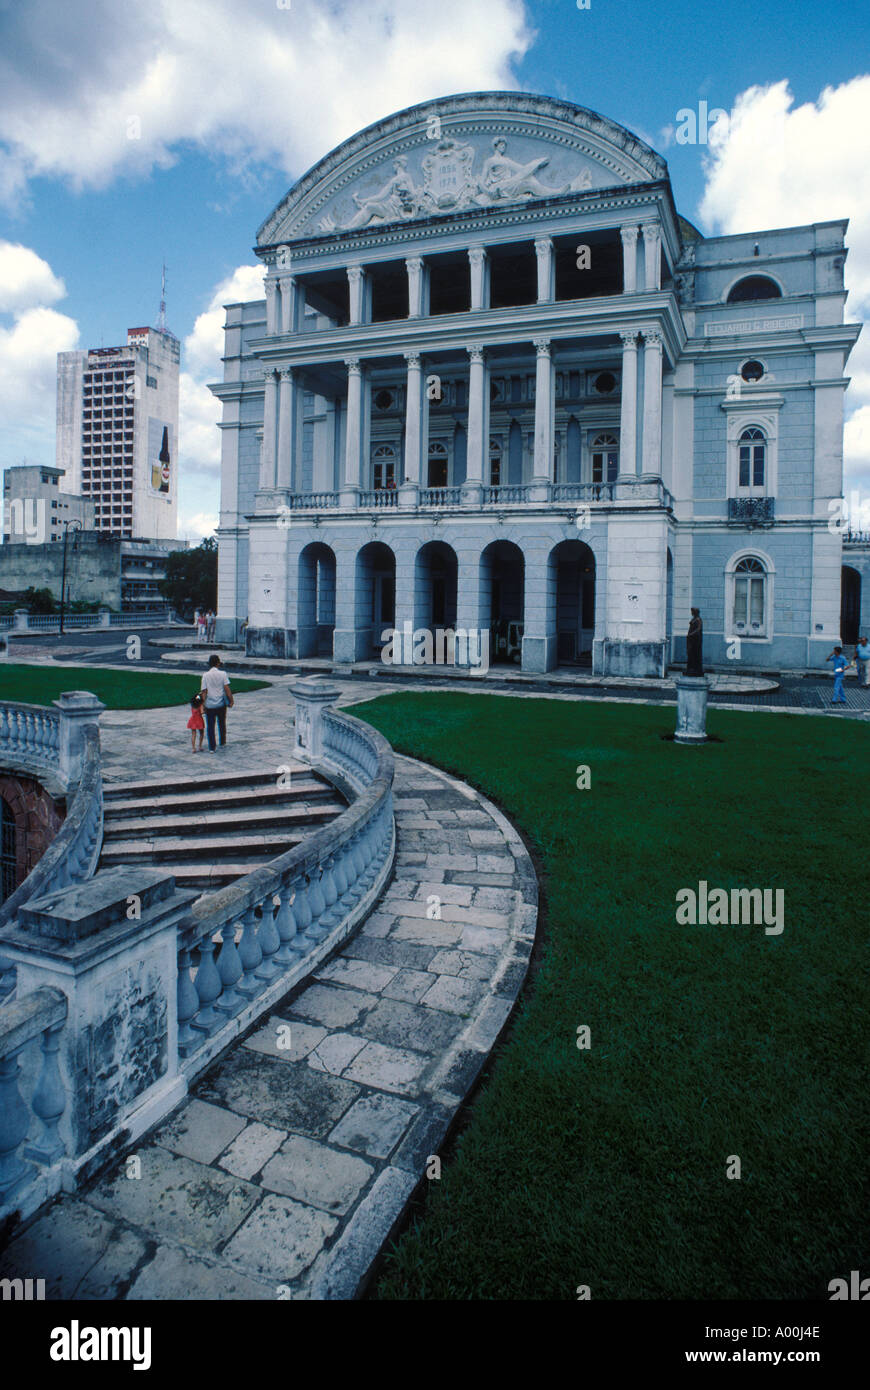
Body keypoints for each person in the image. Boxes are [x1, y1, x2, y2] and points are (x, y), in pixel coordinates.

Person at [201, 653, 234, 750]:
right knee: (222, 723)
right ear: (218, 663)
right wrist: (231, 700)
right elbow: (227, 688)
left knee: (210, 726)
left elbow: (204, 691)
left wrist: (202, 705)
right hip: (221, 703)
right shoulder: (223, 674)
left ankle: (212, 746)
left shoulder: (205, 675)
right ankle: (222, 741)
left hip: (210, 704)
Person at [685, 607, 703, 676]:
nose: (691, 613)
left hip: (695, 641)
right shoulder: (695, 619)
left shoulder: (698, 620)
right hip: (691, 640)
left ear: (695, 612)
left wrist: (691, 634)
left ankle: (695, 669)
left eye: (692, 611)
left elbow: (698, 629)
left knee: (694, 654)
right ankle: (690, 668)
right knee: (690, 654)